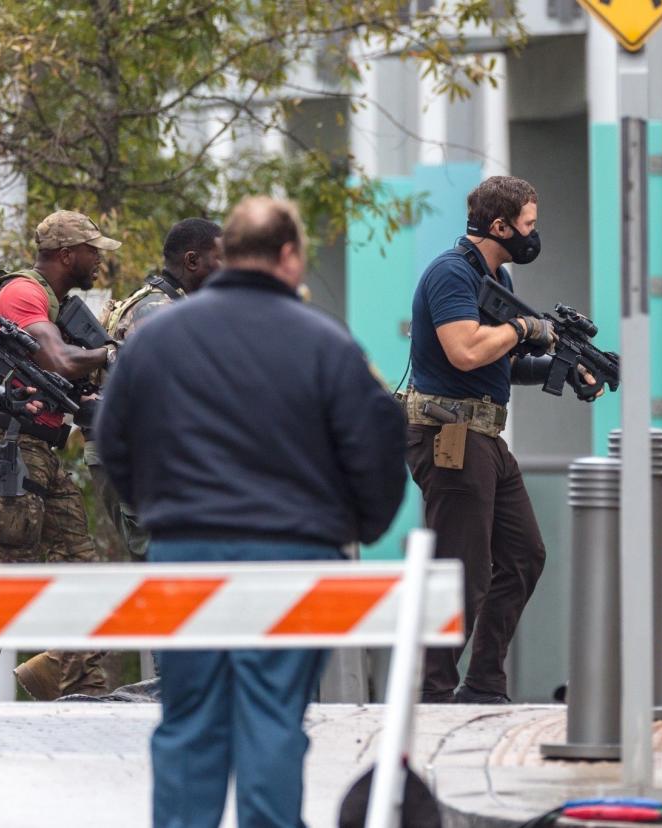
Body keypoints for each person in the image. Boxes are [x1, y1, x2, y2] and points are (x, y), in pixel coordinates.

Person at [95, 196, 407, 828]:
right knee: (272, 719)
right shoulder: (327, 342)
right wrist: (356, 528)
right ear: (289, 256)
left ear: (229, 253)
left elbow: (112, 441)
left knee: (189, 721)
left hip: (184, 552)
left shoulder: (156, 338)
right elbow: (377, 444)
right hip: (293, 558)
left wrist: (161, 512)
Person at [404, 175, 567, 704]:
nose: (533, 235)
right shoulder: (450, 274)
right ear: (500, 226)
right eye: (528, 225)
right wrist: (523, 329)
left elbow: (501, 361)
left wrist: (558, 369)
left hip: (486, 435)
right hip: (450, 435)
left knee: (524, 555)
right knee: (462, 570)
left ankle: (484, 683)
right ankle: (433, 691)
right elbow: (466, 352)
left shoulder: (494, 276)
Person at [0, 209, 119, 702]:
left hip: (42, 451)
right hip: (12, 447)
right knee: (10, 583)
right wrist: (113, 353)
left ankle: (82, 693)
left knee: (80, 572)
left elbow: (62, 375)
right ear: (67, 254)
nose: (99, 260)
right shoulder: (23, 293)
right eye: (93, 251)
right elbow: (55, 359)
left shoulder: (57, 304)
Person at [86, 217, 223, 561]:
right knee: (159, 564)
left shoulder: (171, 307)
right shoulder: (157, 313)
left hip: (151, 456)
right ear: (192, 261)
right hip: (141, 458)